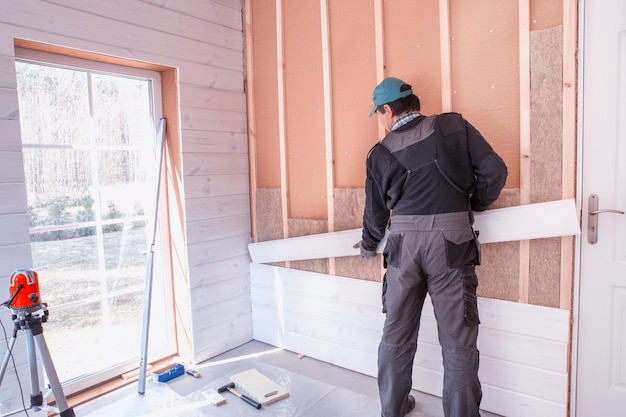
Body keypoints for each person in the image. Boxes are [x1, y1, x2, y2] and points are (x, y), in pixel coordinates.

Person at [357, 77, 508, 417]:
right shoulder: (453, 126)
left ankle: (393, 410)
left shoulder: (379, 153)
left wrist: (368, 244)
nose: (382, 121)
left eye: (380, 114)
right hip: (451, 245)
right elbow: (494, 170)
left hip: (403, 247)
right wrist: (476, 204)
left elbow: (375, 213)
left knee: (396, 334)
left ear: (386, 110)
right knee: (458, 341)